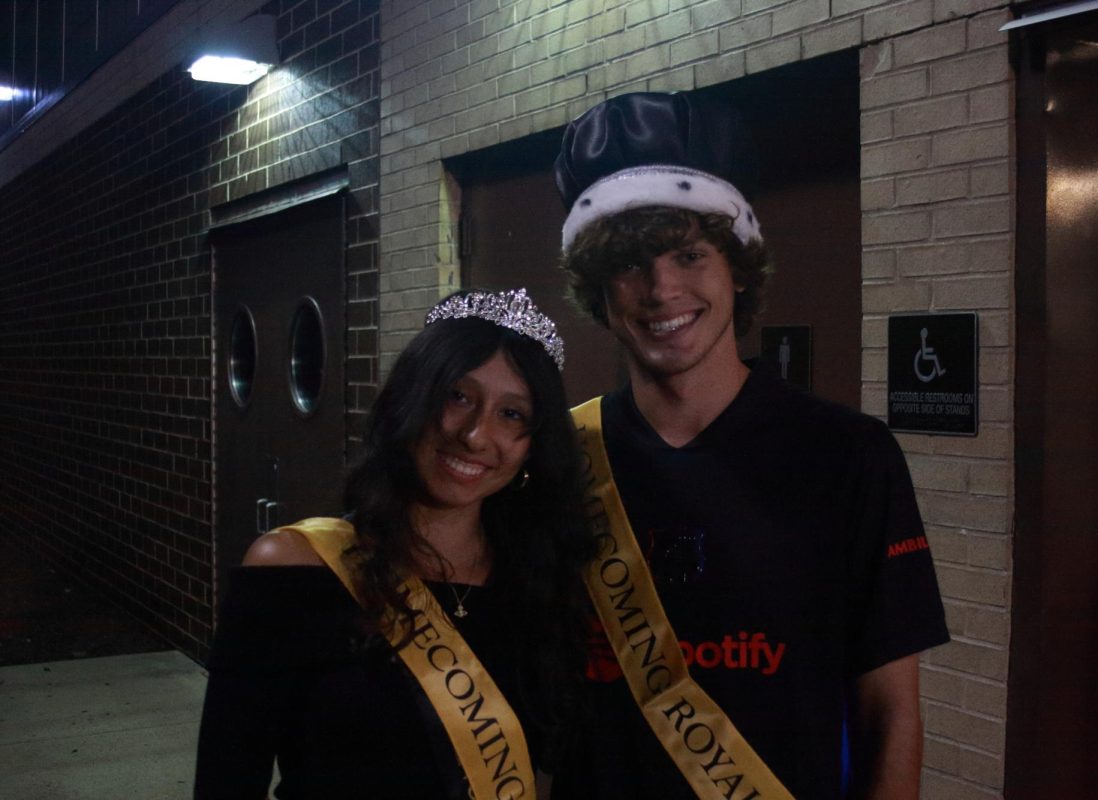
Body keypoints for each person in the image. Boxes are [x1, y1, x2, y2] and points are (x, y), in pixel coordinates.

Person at [552, 92, 950, 799]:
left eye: (687, 254)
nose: (661, 288)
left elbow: (891, 711)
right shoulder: (560, 459)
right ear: (600, 291)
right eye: (629, 263)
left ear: (736, 267)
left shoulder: (850, 457)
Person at [194, 288, 595, 800]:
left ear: (533, 446)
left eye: (512, 414)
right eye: (458, 396)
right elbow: (226, 781)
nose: (475, 434)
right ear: (412, 398)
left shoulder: (540, 583)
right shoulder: (296, 568)